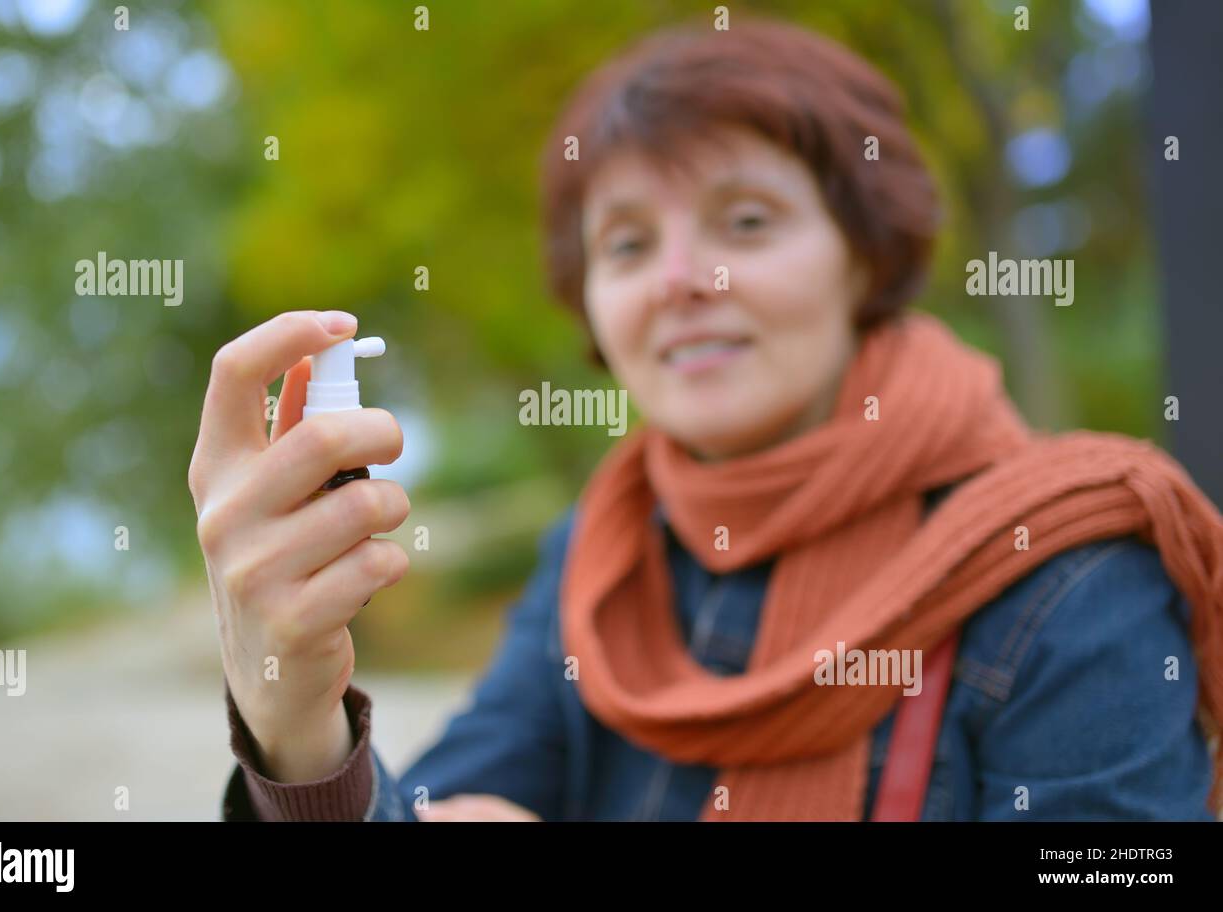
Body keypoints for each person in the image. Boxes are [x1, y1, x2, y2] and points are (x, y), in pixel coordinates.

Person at [188, 16, 1223, 821]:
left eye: (745, 221)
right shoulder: (601, 548)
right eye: (628, 244)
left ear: (862, 253)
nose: (683, 279)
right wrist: (295, 726)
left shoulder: (1077, 579)